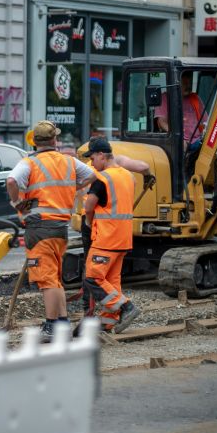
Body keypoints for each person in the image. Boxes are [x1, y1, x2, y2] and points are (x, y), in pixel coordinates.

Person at [6, 120, 96, 343]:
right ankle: (63, 322)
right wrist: (70, 190)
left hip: (39, 227)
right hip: (60, 227)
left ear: (35, 141)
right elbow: (92, 175)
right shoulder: (69, 162)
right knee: (55, 277)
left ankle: (51, 326)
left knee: (47, 279)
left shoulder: (29, 163)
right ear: (55, 140)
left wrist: (18, 203)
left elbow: (11, 181)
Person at [76, 138, 155, 323]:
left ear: (101, 155)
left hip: (105, 237)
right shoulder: (128, 176)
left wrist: (89, 223)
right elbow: (142, 167)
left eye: (93, 157)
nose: (92, 161)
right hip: (123, 237)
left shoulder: (101, 178)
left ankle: (126, 306)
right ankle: (108, 322)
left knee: (92, 277)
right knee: (112, 280)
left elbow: (89, 207)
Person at [154, 71, 204, 147]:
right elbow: (162, 122)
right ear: (176, 83)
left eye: (189, 83)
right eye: (185, 83)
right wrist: (178, 138)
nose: (188, 86)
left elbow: (206, 121)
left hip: (197, 141)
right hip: (178, 141)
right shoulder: (165, 98)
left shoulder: (195, 98)